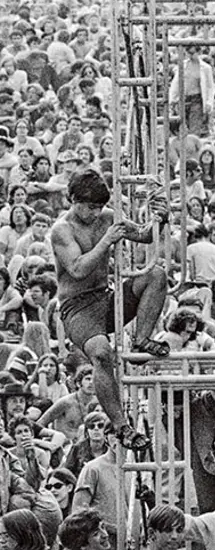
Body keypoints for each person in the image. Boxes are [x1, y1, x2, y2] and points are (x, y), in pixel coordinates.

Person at [50, 169, 169, 452]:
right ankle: (121, 426)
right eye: (89, 207)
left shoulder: (107, 217)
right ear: (72, 199)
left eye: (98, 207)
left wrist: (161, 218)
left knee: (156, 275)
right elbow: (77, 269)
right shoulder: (61, 230)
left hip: (105, 297)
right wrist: (107, 241)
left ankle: (141, 338)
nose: (94, 213)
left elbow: (145, 236)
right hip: (76, 308)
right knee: (102, 352)